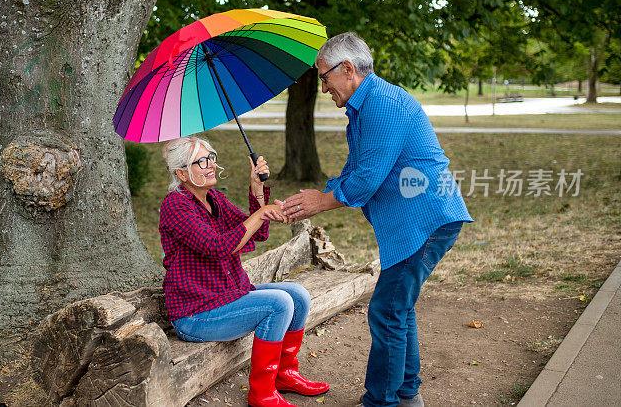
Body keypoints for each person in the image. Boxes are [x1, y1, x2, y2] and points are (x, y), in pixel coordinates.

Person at [280, 33, 473, 407]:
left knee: (386, 311)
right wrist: (320, 194)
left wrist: (321, 201)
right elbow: (355, 170)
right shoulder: (365, 108)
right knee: (397, 307)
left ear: (348, 69)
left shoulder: (382, 105)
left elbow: (367, 179)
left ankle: (381, 401)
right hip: (415, 222)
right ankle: (405, 393)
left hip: (427, 220)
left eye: (324, 77)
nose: (323, 88)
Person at [159, 136, 329, 407]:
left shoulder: (213, 198)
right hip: (196, 313)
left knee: (298, 295)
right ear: (181, 173)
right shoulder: (175, 205)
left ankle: (285, 374)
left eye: (211, 157)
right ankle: (261, 393)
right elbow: (217, 247)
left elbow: (256, 232)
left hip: (226, 296)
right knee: (279, 304)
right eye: (201, 161)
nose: (211, 165)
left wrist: (257, 189)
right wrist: (262, 214)